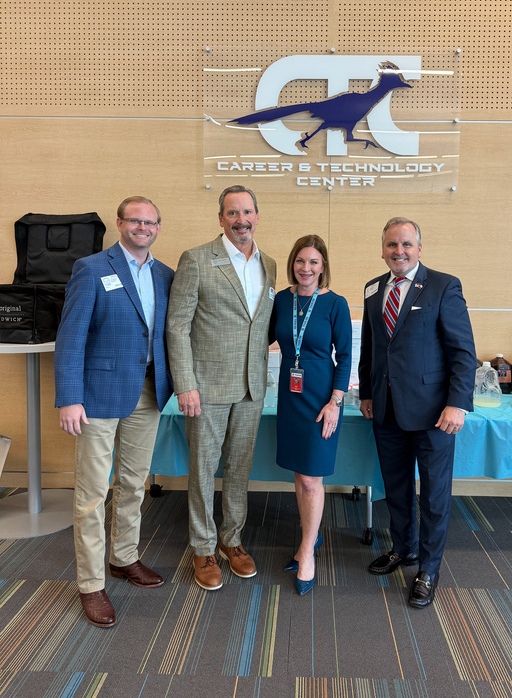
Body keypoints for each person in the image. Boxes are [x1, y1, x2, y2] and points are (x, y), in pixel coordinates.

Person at [54, 196, 174, 628]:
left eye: (150, 222)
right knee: (91, 495)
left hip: (148, 391)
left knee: (133, 484)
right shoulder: (92, 269)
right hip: (98, 394)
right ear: (120, 223)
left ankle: (124, 558)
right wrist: (70, 396)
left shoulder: (165, 275)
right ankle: (90, 584)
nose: (142, 227)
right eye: (134, 220)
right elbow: (70, 336)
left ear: (159, 227)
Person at [358, 217, 476, 608]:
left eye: (407, 244)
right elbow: (371, 348)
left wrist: (458, 403)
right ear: (382, 249)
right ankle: (403, 548)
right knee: (396, 487)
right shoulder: (373, 289)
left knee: (435, 494)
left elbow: (463, 352)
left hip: (434, 414)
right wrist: (366, 392)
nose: (399, 251)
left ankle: (428, 567)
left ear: (419, 249)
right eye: (392, 245)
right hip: (386, 410)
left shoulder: (444, 285)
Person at [166, 185, 277, 591]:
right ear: (220, 219)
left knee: (238, 469)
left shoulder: (270, 263)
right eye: (232, 213)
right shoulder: (196, 260)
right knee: (202, 470)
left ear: (257, 216)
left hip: (251, 386)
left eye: (247, 212)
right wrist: (186, 384)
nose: (241, 220)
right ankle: (202, 546)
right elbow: (177, 327)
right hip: (206, 387)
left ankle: (232, 540)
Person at [270, 235, 352, 596]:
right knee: (300, 475)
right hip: (290, 396)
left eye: (314, 262)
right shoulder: (281, 300)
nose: (306, 268)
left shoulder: (335, 303)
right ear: (293, 263)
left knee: (310, 480)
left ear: (323, 267)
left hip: (322, 398)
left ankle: (307, 551)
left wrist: (335, 402)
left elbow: (346, 357)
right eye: (301, 261)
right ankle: (310, 537)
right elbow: (263, 338)